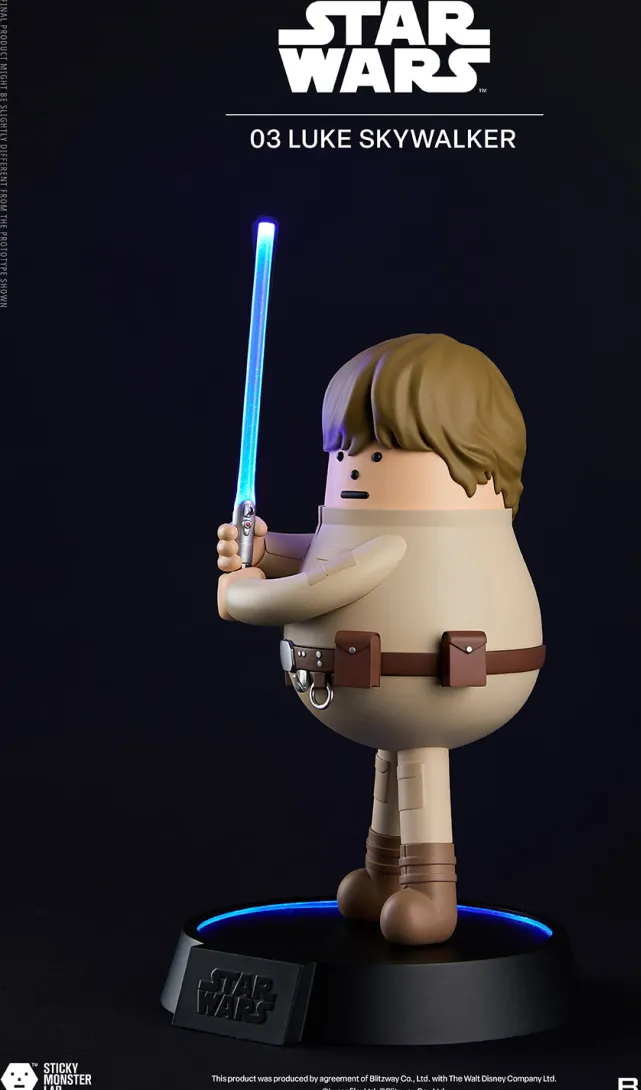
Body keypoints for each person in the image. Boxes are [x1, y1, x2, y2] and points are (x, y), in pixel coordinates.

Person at [216, 333, 545, 945]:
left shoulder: (388, 546)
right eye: (343, 452)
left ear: (475, 461)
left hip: (439, 681)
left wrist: (238, 595)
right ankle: (381, 874)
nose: (353, 468)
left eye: (378, 455)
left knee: (418, 755)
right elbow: (320, 556)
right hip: (369, 679)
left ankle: (432, 894)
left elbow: (313, 590)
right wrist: (264, 548)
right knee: (394, 757)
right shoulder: (360, 535)